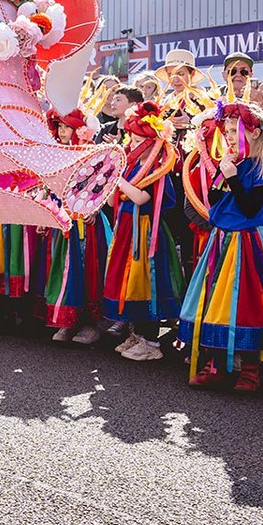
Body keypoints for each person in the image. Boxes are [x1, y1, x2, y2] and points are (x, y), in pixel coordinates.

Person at [180, 100, 263, 390]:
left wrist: (231, 178)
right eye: (228, 130)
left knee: (247, 305)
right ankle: (217, 364)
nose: (229, 136)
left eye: (235, 130)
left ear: (255, 133)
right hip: (222, 242)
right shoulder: (232, 163)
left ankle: (250, 369)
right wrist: (221, 174)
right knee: (214, 303)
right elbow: (218, 203)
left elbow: (248, 208)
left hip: (247, 243)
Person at [102, 101, 185, 361]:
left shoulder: (156, 165)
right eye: (131, 136)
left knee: (145, 282)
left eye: (138, 138)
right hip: (126, 228)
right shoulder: (130, 162)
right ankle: (136, 334)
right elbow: (112, 200)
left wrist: (118, 180)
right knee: (128, 282)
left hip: (146, 232)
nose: (132, 141)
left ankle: (150, 341)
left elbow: (140, 198)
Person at [43, 108, 110, 345]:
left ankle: (91, 324)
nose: (62, 132)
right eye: (59, 127)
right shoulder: (54, 152)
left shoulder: (91, 152)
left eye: (67, 127)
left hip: (86, 223)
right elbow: (48, 186)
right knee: (62, 269)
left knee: (87, 270)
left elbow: (104, 184)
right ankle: (66, 321)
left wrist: (94, 208)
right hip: (61, 219)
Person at [220, 53, 263, 137]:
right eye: (232, 71)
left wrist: (262, 105)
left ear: (251, 75)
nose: (238, 74)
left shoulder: (261, 100)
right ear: (224, 75)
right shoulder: (213, 98)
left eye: (244, 72)